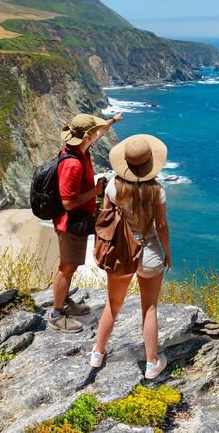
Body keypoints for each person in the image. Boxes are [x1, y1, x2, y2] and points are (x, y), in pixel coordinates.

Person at [90, 134, 172, 380]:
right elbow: (162, 225)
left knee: (113, 305)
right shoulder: (157, 190)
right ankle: (151, 363)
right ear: (149, 164)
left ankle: (98, 353)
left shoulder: (113, 187)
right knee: (150, 307)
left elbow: (106, 218)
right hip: (149, 251)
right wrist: (168, 253)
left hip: (121, 253)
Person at [49, 112, 122, 333]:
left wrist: (112, 121)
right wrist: (96, 191)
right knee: (67, 267)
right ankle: (56, 314)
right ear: (86, 137)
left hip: (75, 221)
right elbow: (68, 202)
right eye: (93, 133)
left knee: (70, 266)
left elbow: (99, 133)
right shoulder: (73, 164)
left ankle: (64, 303)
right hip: (69, 223)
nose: (95, 135)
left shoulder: (78, 149)